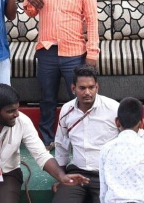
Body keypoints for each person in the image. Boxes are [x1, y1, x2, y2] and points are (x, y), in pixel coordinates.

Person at [23, 0, 99, 145]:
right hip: (47, 51)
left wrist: (92, 53)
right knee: (47, 99)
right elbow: (30, 12)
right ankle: (47, 140)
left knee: (81, 99)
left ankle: (81, 139)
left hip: (74, 52)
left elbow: (92, 21)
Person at [53, 65, 132, 203]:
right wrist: (61, 177)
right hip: (77, 173)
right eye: (82, 88)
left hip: (107, 175)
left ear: (97, 87)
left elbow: (133, 137)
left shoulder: (113, 108)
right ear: (73, 89)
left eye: (91, 87)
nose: (87, 92)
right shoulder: (66, 110)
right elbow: (61, 145)